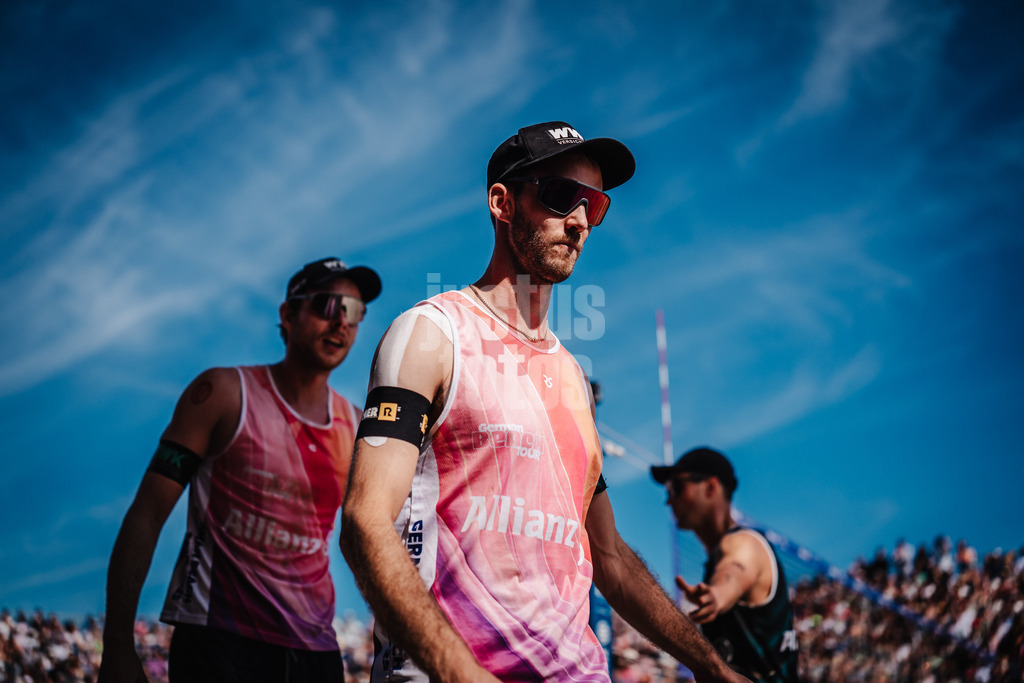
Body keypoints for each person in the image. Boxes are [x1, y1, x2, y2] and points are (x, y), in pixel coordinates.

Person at [340, 121, 748, 683]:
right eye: (560, 196)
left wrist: (713, 668)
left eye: (595, 204)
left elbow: (609, 558)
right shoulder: (432, 335)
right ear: (503, 203)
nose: (579, 221)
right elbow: (365, 519)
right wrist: (461, 674)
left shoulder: (571, 380)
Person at [99, 257, 381, 683]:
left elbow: (370, 542)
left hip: (315, 651)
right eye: (328, 305)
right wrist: (117, 646)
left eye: (355, 312)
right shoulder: (223, 395)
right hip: (220, 643)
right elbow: (147, 514)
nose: (342, 323)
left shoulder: (356, 426)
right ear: (288, 314)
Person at [651, 447, 799, 683]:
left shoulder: (744, 544)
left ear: (711, 487)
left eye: (677, 487)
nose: (668, 500)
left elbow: (733, 575)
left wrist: (716, 596)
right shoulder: (721, 554)